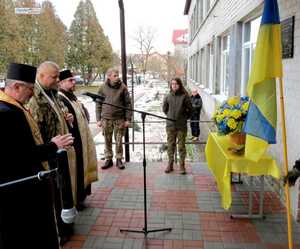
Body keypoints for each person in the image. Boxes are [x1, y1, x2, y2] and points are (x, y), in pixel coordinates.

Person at [0, 62, 74, 249]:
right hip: (21, 191)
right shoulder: (6, 114)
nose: (33, 93)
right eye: (30, 89)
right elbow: (20, 156)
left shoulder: (14, 106)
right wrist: (53, 145)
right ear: (16, 87)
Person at [27, 61, 77, 245]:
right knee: (55, 196)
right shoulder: (35, 100)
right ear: (40, 77)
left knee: (63, 191)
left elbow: (57, 115)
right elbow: (36, 134)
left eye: (58, 76)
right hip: (50, 157)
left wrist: (68, 119)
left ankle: (67, 223)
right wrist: (51, 147)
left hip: (60, 153)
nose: (58, 80)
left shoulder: (52, 93)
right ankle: (60, 230)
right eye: (54, 77)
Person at [58, 69, 98, 210]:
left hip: (81, 139)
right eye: (70, 80)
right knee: (77, 170)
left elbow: (83, 114)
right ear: (61, 82)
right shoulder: (60, 98)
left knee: (83, 167)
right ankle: (77, 200)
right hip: (73, 142)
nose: (74, 82)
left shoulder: (71, 96)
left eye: (74, 79)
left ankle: (82, 197)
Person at [96, 68, 132, 170]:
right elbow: (98, 103)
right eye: (115, 75)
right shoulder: (102, 87)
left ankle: (119, 159)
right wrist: (98, 119)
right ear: (109, 77)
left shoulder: (123, 87)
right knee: (107, 140)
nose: (117, 77)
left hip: (119, 119)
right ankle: (108, 159)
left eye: (118, 75)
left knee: (119, 140)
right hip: (106, 119)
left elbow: (128, 104)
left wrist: (128, 119)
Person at [163, 77, 192, 174]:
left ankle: (182, 165)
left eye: (176, 84)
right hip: (170, 126)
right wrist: (170, 116)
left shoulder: (185, 96)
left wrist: (184, 118)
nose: (174, 85)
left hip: (181, 126)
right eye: (172, 84)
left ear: (179, 85)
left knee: (181, 146)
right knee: (170, 145)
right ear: (170, 85)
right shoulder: (167, 96)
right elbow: (165, 109)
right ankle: (170, 164)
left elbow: (191, 110)